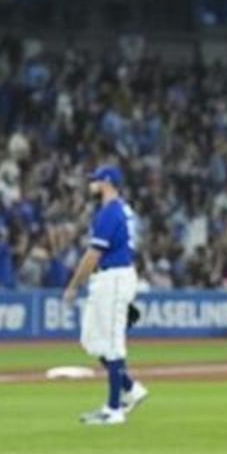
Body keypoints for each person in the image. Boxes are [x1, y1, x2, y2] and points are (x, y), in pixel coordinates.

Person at [62, 166, 149, 426]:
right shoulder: (121, 210)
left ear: (107, 182)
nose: (92, 184)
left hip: (113, 277)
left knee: (112, 343)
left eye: (96, 180)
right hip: (110, 277)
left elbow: (93, 254)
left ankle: (114, 410)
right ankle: (131, 389)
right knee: (91, 339)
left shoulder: (111, 212)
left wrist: (74, 285)